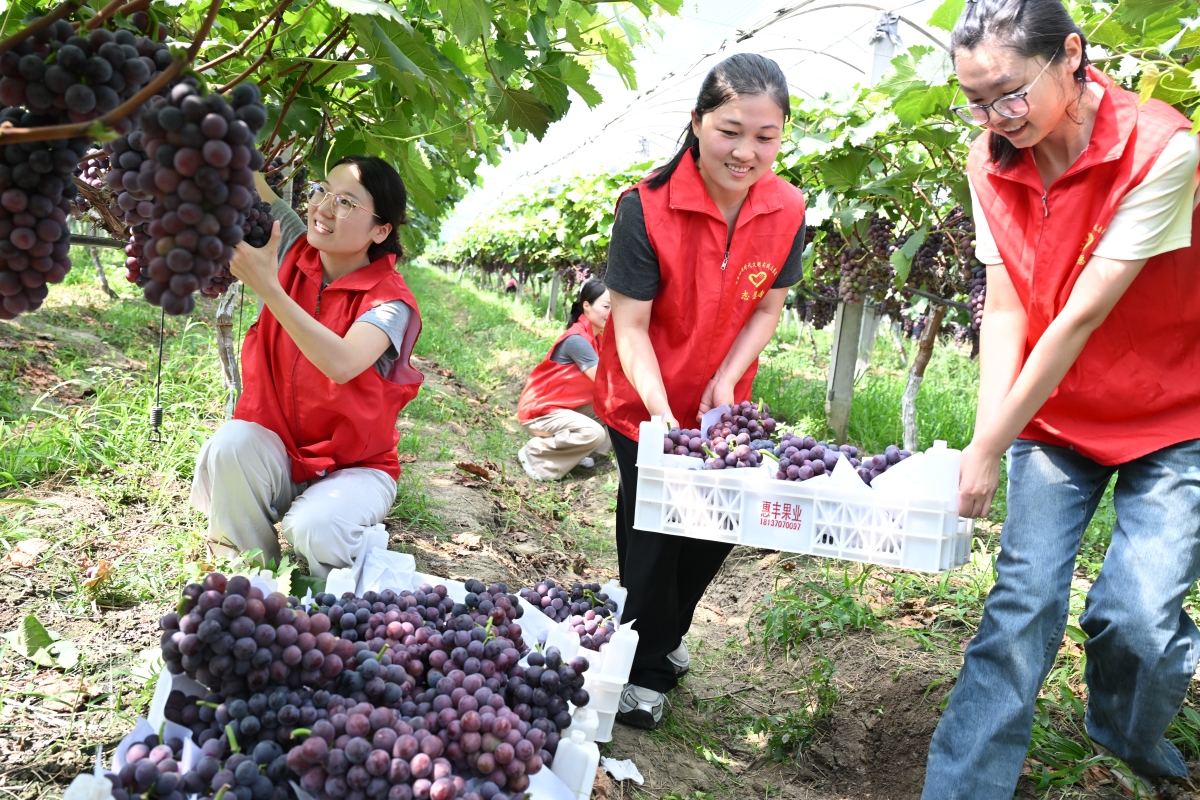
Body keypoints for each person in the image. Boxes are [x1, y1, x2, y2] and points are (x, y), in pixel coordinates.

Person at [922, 1, 1200, 797]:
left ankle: (1126, 734)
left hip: (1172, 412)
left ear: (1071, 55)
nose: (992, 118)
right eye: (973, 101)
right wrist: (990, 437)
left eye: (1008, 94)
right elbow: (1007, 307)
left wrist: (982, 452)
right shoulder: (989, 161)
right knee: (1022, 604)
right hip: (1054, 415)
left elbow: (1081, 314)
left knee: (1139, 621)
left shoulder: (1162, 148)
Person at [593, 53, 808, 729]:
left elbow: (768, 306)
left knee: (717, 530)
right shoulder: (646, 208)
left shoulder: (788, 208)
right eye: (730, 130)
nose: (746, 151)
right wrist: (662, 417)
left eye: (765, 137)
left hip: (722, 407)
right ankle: (647, 670)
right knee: (654, 531)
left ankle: (661, 634)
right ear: (697, 123)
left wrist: (725, 377)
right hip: (642, 398)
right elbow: (630, 324)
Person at [190, 156, 424, 578]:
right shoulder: (293, 247)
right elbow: (256, 184)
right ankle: (251, 578)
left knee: (316, 528)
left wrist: (268, 287)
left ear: (381, 230)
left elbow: (342, 363)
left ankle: (346, 566)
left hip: (356, 469)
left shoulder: (390, 302)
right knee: (230, 444)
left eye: (347, 203)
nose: (324, 208)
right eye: (323, 191)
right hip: (282, 454)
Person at [516, 279, 612, 481]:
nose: (611, 313)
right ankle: (536, 453)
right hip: (540, 411)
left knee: (612, 411)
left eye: (614, 307)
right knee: (594, 432)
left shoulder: (596, 338)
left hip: (560, 407)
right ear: (587, 305)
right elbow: (604, 381)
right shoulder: (578, 340)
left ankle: (573, 455)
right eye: (606, 306)